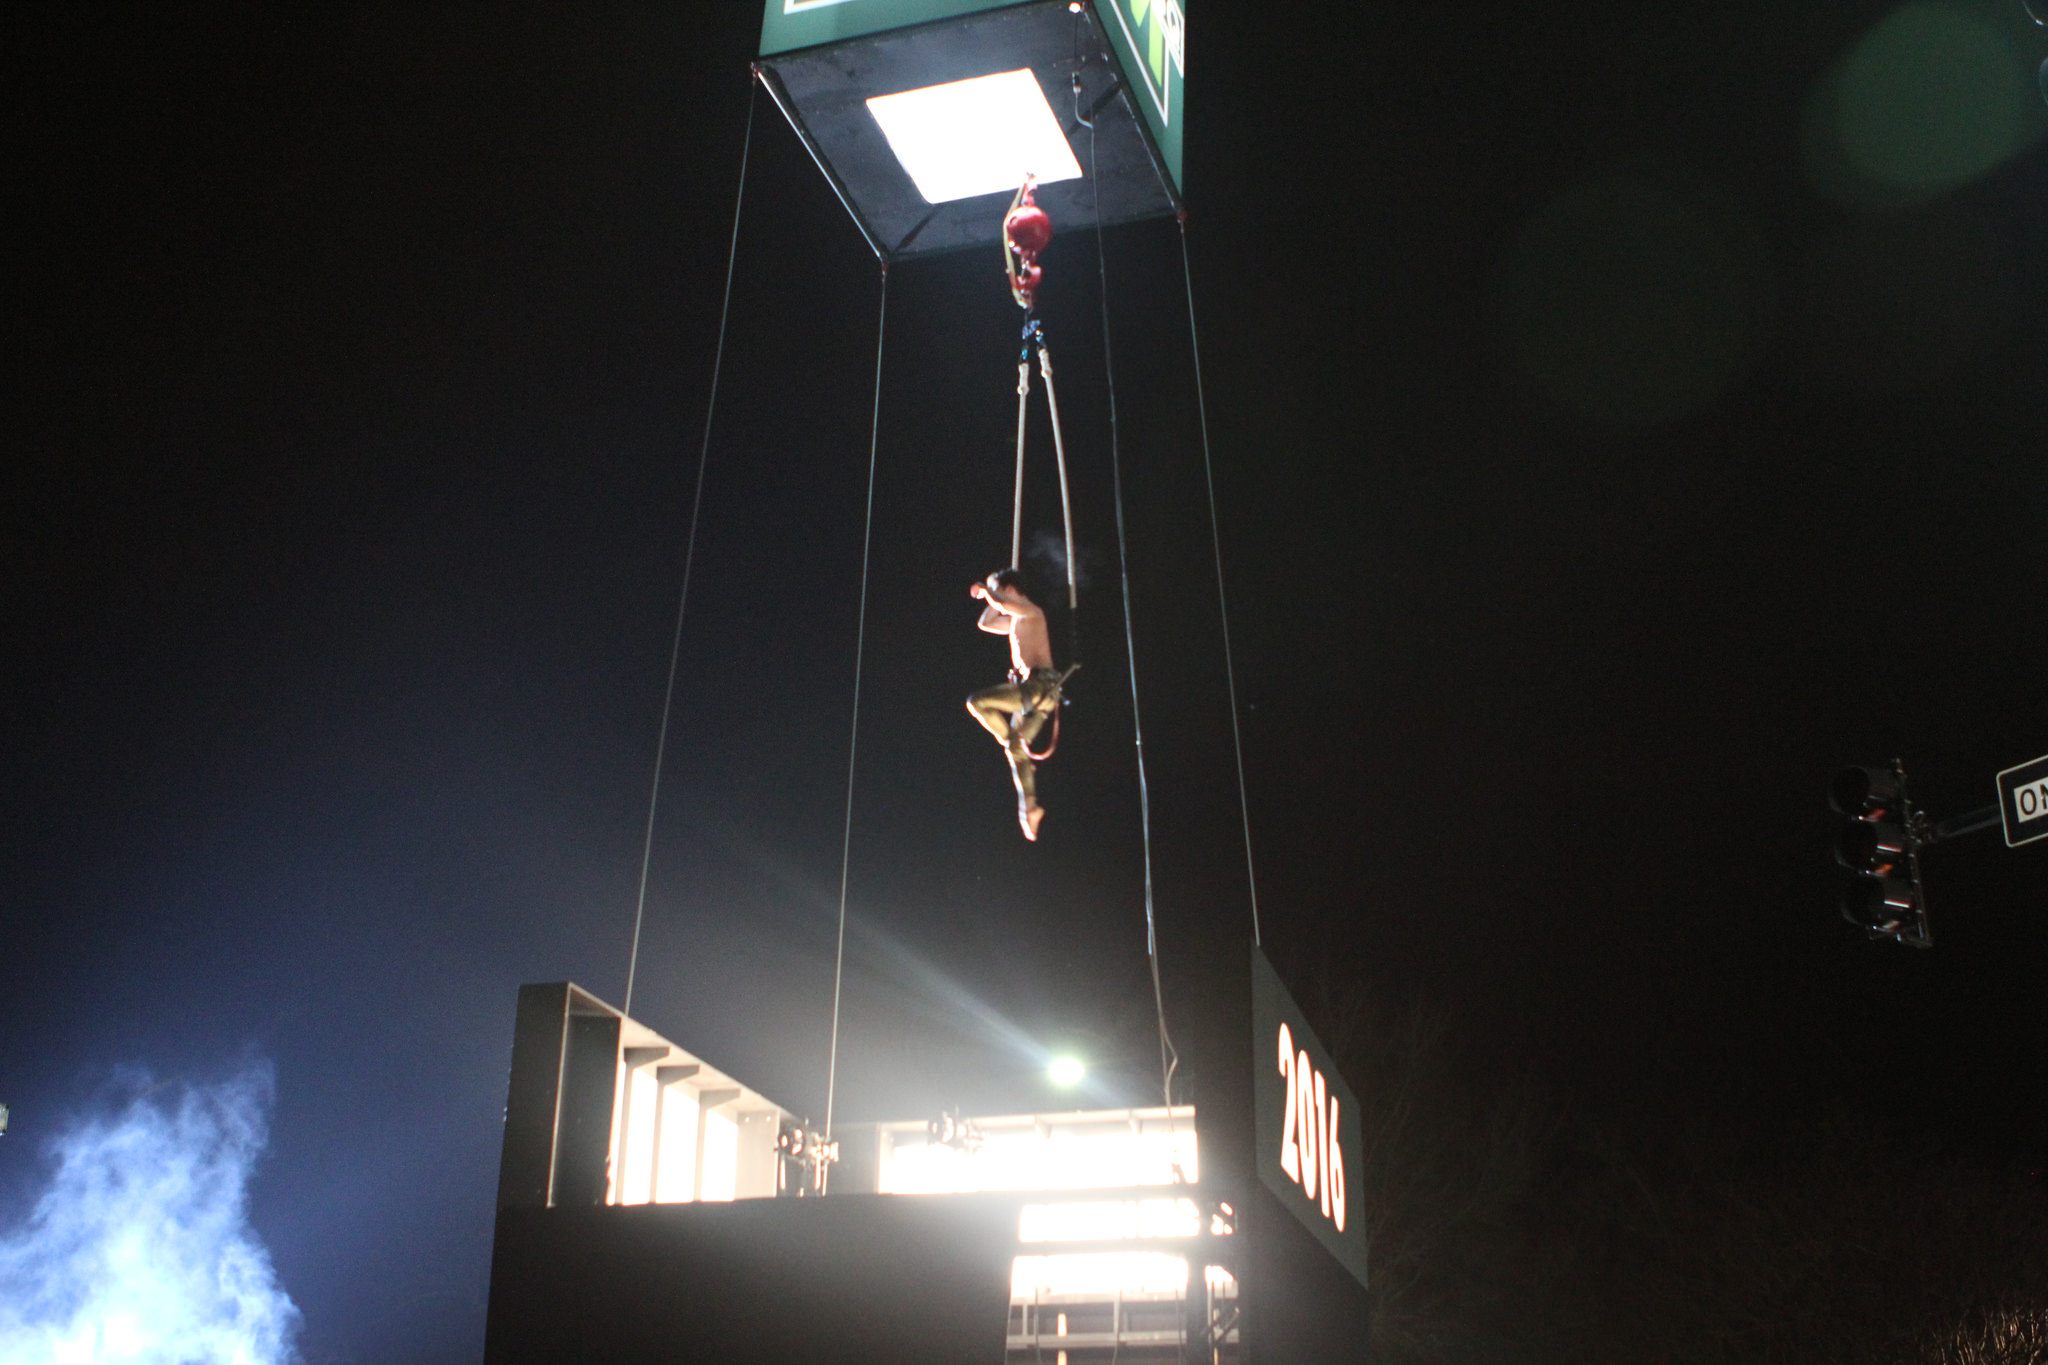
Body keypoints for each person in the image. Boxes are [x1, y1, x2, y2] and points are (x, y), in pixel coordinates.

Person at [966, 568, 1060, 841]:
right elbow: (985, 622)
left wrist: (987, 590)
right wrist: (990, 595)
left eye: (999, 591)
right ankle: (1030, 806)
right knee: (1016, 747)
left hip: (1039, 687)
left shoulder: (1032, 612)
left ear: (1008, 590)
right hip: (1034, 695)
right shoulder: (1015, 621)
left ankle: (1009, 741)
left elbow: (1003, 604)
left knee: (977, 702)